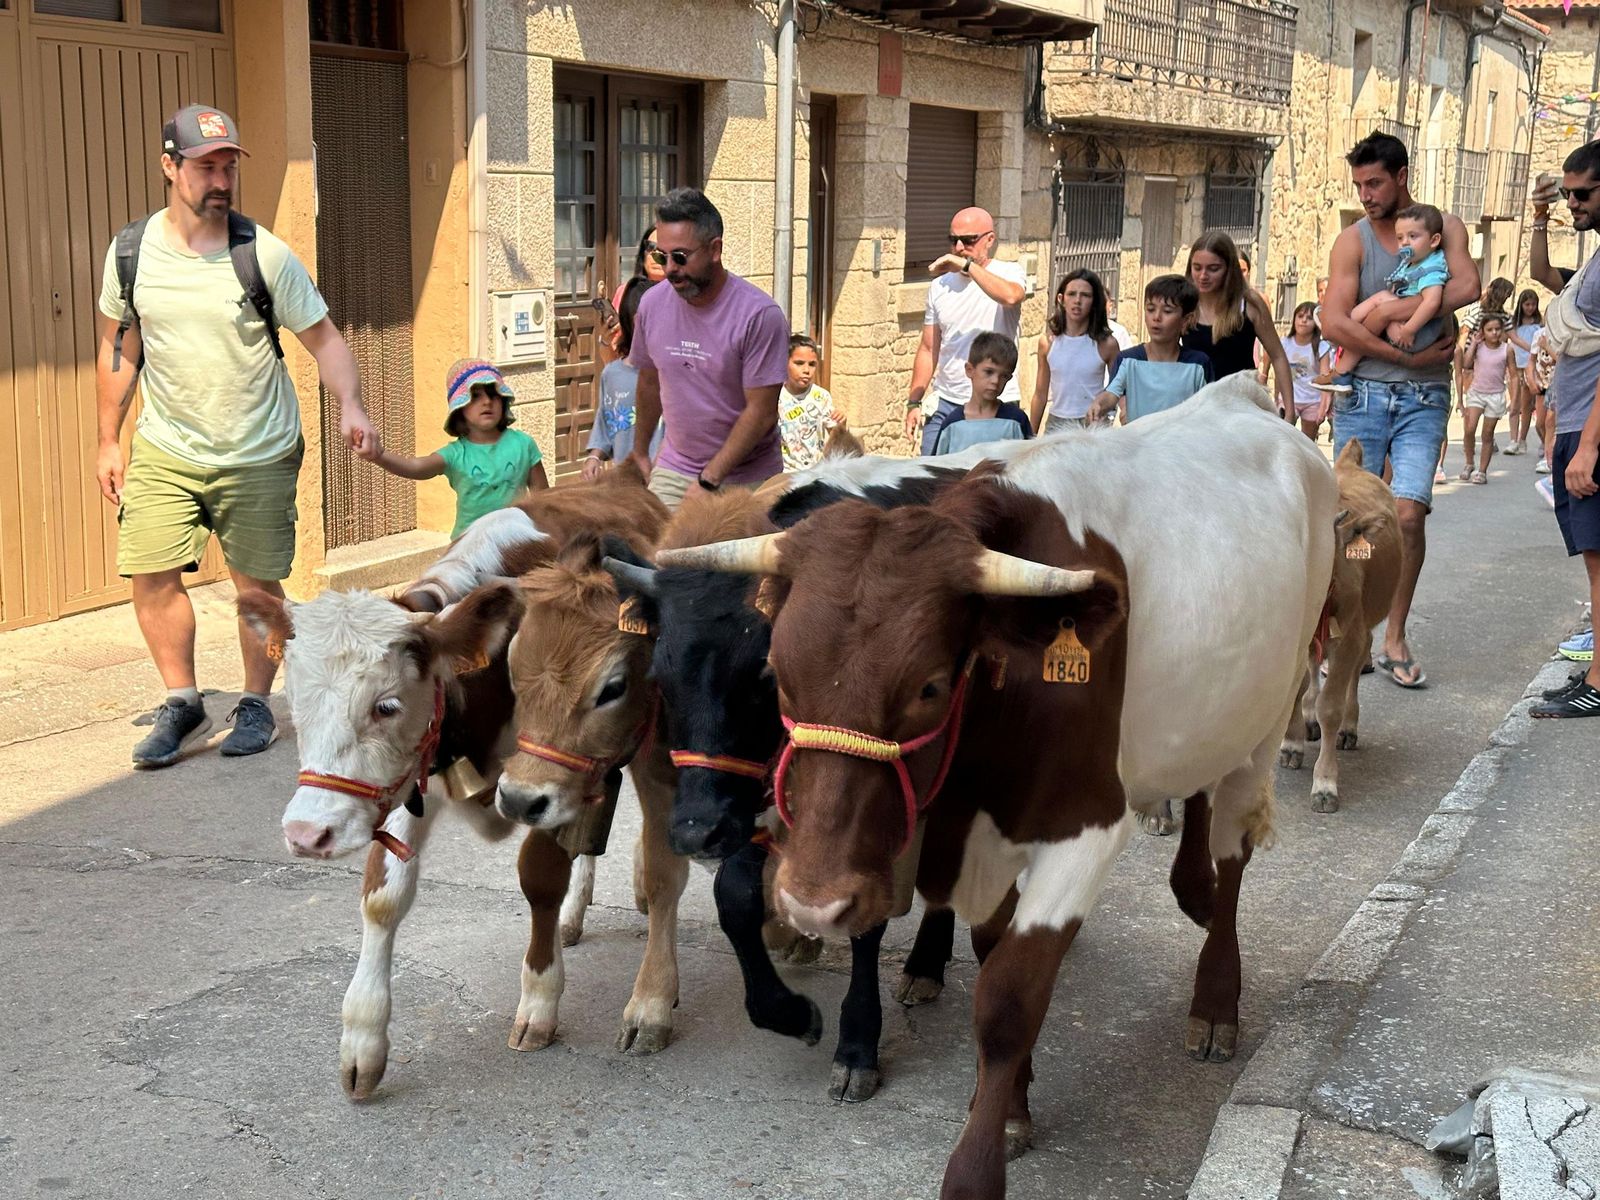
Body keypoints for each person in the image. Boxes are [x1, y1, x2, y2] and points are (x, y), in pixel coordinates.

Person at [94, 105, 373, 769]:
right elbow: (118, 346)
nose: (220, 180)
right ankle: (183, 701)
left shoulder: (263, 253)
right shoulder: (131, 253)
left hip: (257, 447)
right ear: (170, 166)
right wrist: (108, 438)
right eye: (204, 166)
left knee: (256, 587)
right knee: (150, 571)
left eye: (227, 166)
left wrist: (353, 404)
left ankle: (254, 701)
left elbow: (324, 336)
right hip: (167, 444)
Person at [1318, 132, 1479, 690]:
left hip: (1425, 399)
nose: (1365, 194)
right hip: (1364, 395)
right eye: (1359, 184)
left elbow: (1467, 285)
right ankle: (1350, 625)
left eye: (1375, 182)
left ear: (1402, 174)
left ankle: (1393, 634)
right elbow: (1333, 322)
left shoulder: (1443, 228)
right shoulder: (1352, 241)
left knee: (1408, 516)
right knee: (1355, 521)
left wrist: (1392, 308)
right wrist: (1397, 351)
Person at [629, 187, 790, 508]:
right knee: (653, 553)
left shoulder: (760, 315)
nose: (669, 268)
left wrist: (709, 480)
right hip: (677, 468)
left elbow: (760, 413)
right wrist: (639, 451)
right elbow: (649, 381)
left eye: (680, 257)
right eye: (661, 256)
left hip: (750, 479)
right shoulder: (651, 304)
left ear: (715, 249)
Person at [1525, 147, 1600, 717]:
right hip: (1572, 417)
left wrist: (1590, 444)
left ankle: (1598, 683)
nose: (1573, 202)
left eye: (1583, 195)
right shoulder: (1595, 260)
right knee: (1593, 559)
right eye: (1568, 193)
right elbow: (1544, 276)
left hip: (1590, 427)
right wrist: (1540, 218)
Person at [368, 360, 548, 536]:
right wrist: (379, 456)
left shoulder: (524, 444)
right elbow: (417, 467)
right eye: (475, 395)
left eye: (493, 394)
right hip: (469, 549)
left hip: (517, 543)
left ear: (503, 400)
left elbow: (544, 498)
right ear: (460, 407)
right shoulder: (455, 454)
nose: (487, 401)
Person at [902, 206, 1026, 455]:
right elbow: (929, 348)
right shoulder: (940, 286)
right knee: (932, 482)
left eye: (968, 240)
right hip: (946, 401)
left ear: (989, 239)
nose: (959, 247)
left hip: (995, 401)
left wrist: (968, 267)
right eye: (953, 240)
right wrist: (914, 401)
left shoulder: (1009, 272)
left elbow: (1011, 297)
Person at [1316, 204, 1450, 387]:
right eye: (1400, 238)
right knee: (1380, 302)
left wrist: (1409, 329)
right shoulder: (1415, 262)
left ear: (1434, 240)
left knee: (1381, 303)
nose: (1405, 243)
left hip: (1417, 331)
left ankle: (1342, 334)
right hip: (1408, 326)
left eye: (1413, 236)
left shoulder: (1431, 268)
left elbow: (1432, 302)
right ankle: (1342, 364)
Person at [1184, 231, 1294, 419]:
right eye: (1197, 267)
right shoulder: (1184, 303)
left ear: (1229, 269)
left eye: (1213, 268)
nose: (1203, 276)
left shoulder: (1250, 304)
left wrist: (1290, 411)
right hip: (1195, 406)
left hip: (1241, 407)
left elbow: (1278, 355)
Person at [1089, 275, 1213, 424]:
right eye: (1150, 309)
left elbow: (1209, 409)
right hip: (1139, 444)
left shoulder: (1199, 364)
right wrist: (1098, 405)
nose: (1156, 317)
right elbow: (1111, 394)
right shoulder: (1128, 360)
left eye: (1167, 311)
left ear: (1186, 319)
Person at [584, 276, 663, 480]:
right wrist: (594, 457)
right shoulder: (612, 375)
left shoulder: (675, 374)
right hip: (627, 486)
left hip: (665, 486)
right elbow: (604, 426)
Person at [1030, 269, 1120, 433]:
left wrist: (1110, 411)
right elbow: (1040, 394)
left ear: (1094, 302)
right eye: (1071, 294)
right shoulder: (1047, 343)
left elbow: (1118, 387)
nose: (1077, 300)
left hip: (1092, 425)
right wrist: (1030, 435)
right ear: (1061, 299)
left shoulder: (1107, 344)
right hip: (1057, 423)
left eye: (1085, 295)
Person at [926, 332, 1032, 453]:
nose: (995, 381)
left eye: (1003, 376)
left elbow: (1029, 465)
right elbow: (938, 467)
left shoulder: (1016, 421)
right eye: (989, 372)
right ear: (970, 370)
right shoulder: (952, 424)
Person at [777, 334, 847, 471]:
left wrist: (841, 424)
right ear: (785, 363)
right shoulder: (775, 397)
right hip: (784, 475)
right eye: (799, 363)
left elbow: (836, 437)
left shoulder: (821, 396)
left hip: (815, 473)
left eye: (812, 364)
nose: (806, 370)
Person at [1457, 314, 1511, 484]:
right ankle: (1469, 462)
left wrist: (1513, 398)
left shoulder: (1506, 349)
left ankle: (1482, 471)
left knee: (1487, 434)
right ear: (1482, 331)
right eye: (1489, 330)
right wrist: (1474, 343)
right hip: (1477, 393)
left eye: (1497, 329)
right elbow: (1466, 364)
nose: (1494, 333)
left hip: (1496, 395)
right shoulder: (1479, 347)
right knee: (1469, 429)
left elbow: (1514, 375)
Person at [1281, 302, 1329, 439]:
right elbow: (1279, 373)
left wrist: (1323, 406)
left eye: (1309, 318)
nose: (1303, 320)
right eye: (1300, 316)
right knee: (1284, 438)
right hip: (1289, 399)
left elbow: (1325, 377)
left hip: (1312, 400)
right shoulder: (1285, 344)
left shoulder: (1321, 347)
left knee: (1307, 442)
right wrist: (1277, 397)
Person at [1505, 289, 1544, 456]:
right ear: (1521, 305)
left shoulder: (1539, 324)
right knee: (1514, 404)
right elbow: (1511, 342)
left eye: (1533, 304)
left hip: (1531, 369)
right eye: (1527, 304)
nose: (1530, 307)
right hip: (1516, 368)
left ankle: (1522, 439)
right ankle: (1513, 439)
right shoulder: (1513, 324)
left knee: (1526, 406)